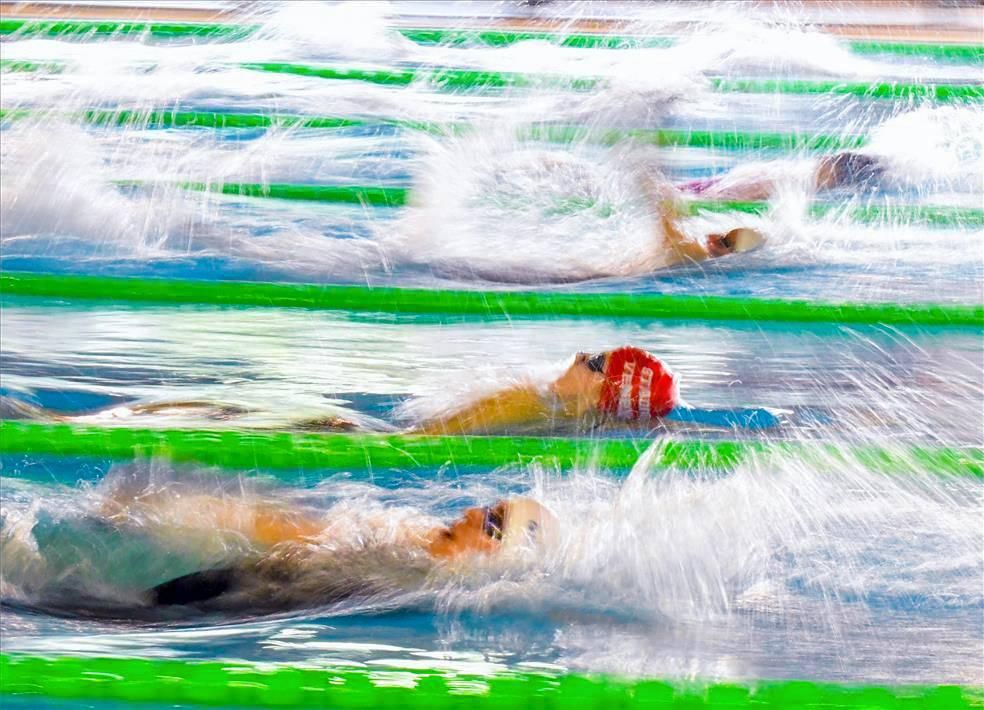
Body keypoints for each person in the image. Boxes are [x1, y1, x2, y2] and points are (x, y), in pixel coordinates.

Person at [4, 346, 683, 436]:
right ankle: (55, 419)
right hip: (352, 430)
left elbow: (424, 442)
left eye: (594, 361)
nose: (575, 356)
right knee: (195, 408)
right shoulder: (550, 414)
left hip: (346, 435)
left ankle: (48, 422)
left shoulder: (539, 400)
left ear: (604, 392)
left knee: (194, 411)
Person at [124, 492, 559, 609]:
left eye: (490, 518)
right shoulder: (412, 540)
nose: (468, 511)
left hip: (269, 596)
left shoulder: (423, 583)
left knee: (129, 611)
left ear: (496, 551)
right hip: (266, 576)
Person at [677, 151, 885, 202]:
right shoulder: (802, 175)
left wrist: (714, 196)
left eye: (830, 161)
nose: (824, 157)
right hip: (730, 182)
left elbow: (754, 188)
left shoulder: (798, 182)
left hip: (730, 185)